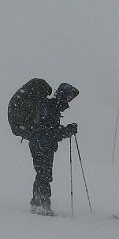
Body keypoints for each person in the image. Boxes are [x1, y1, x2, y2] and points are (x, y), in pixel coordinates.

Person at [27, 82, 79, 215]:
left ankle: (38, 203)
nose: (70, 100)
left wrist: (65, 131)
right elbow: (49, 130)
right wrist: (66, 131)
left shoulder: (52, 106)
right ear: (63, 95)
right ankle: (42, 204)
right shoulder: (50, 106)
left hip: (42, 144)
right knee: (44, 173)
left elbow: (51, 130)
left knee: (43, 173)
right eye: (69, 96)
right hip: (41, 144)